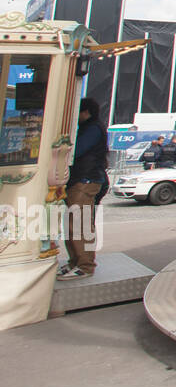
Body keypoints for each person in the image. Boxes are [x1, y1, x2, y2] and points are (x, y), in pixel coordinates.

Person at [58, 99, 108, 279]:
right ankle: (75, 262)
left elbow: (76, 151)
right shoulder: (91, 128)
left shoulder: (93, 128)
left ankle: (85, 265)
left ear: (85, 112)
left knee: (80, 224)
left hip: (86, 180)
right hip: (81, 180)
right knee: (73, 224)